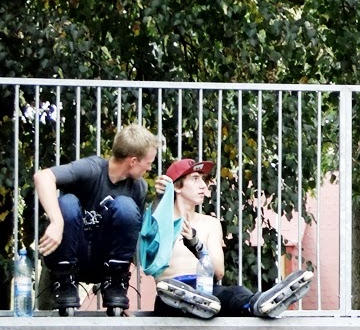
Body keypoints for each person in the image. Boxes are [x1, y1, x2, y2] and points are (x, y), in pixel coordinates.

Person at [151, 158, 314, 319]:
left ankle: (259, 304)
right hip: (170, 297)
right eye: (195, 179)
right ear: (176, 186)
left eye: (202, 179)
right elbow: (148, 248)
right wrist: (158, 200)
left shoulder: (211, 223)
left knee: (235, 293)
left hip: (206, 293)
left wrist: (196, 244)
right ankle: (190, 300)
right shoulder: (158, 222)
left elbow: (218, 272)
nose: (203, 185)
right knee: (172, 295)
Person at [33, 124, 161, 316]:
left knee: (126, 207)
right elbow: (43, 177)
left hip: (104, 260)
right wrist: (56, 221)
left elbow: (133, 237)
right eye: (148, 163)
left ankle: (115, 285)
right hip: (72, 252)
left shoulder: (138, 187)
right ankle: (65, 282)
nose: (150, 168)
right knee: (67, 203)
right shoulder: (92, 169)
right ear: (133, 161)